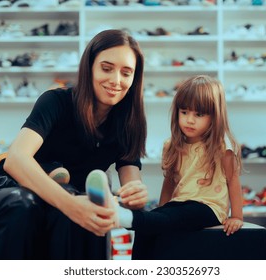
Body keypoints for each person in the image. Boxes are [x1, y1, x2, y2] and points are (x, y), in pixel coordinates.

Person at [0, 29, 148, 260]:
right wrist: (70, 204)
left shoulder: (130, 123)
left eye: (126, 73)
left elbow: (131, 184)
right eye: (106, 68)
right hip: (7, 200)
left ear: (135, 78)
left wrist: (135, 195)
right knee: (27, 205)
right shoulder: (56, 101)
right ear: (89, 67)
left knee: (85, 211)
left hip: (62, 210)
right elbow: (16, 159)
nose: (116, 80)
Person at [87, 75, 244, 259]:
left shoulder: (221, 145)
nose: (189, 120)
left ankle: (124, 217)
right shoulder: (173, 145)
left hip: (208, 207)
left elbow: (233, 180)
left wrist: (237, 216)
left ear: (214, 116)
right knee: (149, 226)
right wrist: (161, 212)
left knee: (172, 216)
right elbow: (169, 181)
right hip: (178, 205)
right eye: (184, 112)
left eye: (198, 114)